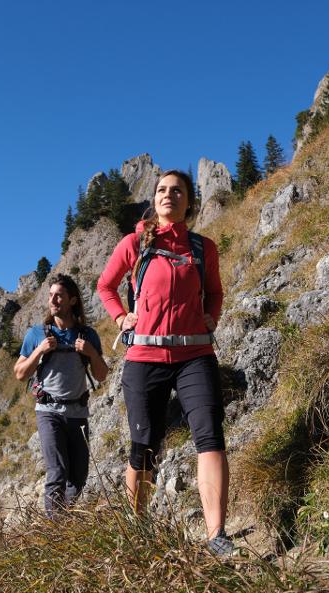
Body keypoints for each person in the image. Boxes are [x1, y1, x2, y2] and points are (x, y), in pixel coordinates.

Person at [96, 169, 232, 555]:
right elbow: (105, 286)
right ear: (154, 200)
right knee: (144, 446)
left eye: (177, 190)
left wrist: (212, 316)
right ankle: (137, 533)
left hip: (195, 356)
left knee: (210, 437)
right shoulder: (134, 243)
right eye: (161, 190)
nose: (168, 195)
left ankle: (217, 536)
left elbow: (215, 292)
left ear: (189, 201)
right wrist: (121, 317)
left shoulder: (203, 248)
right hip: (144, 357)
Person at [14, 273, 109, 516]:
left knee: (78, 477)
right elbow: (20, 373)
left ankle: (65, 521)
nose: (53, 300)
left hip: (78, 413)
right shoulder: (37, 334)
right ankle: (55, 527)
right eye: (50, 295)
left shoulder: (88, 335)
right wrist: (39, 350)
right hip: (48, 412)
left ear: (72, 300)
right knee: (57, 472)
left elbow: (101, 375)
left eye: (59, 295)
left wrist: (92, 353)